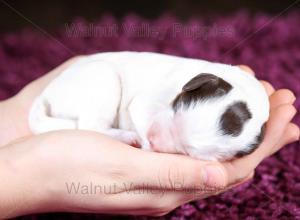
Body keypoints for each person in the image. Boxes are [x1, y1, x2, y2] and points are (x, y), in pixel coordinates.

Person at [0, 56, 298, 218]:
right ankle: (92, 126)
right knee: (103, 81)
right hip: (84, 83)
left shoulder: (235, 118)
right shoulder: (187, 79)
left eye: (185, 149)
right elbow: (137, 105)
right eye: (172, 114)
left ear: (237, 152)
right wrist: (33, 176)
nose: (158, 140)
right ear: (193, 86)